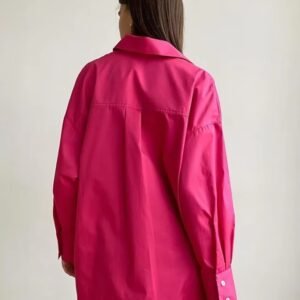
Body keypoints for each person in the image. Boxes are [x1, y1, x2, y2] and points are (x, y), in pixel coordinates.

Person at [52, 0, 238, 299]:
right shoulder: (194, 84)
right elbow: (206, 196)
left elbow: (68, 177)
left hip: (103, 269)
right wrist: (221, 278)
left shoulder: (93, 78)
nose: (119, 20)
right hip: (178, 280)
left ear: (135, 13)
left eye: (120, 10)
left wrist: (72, 249)